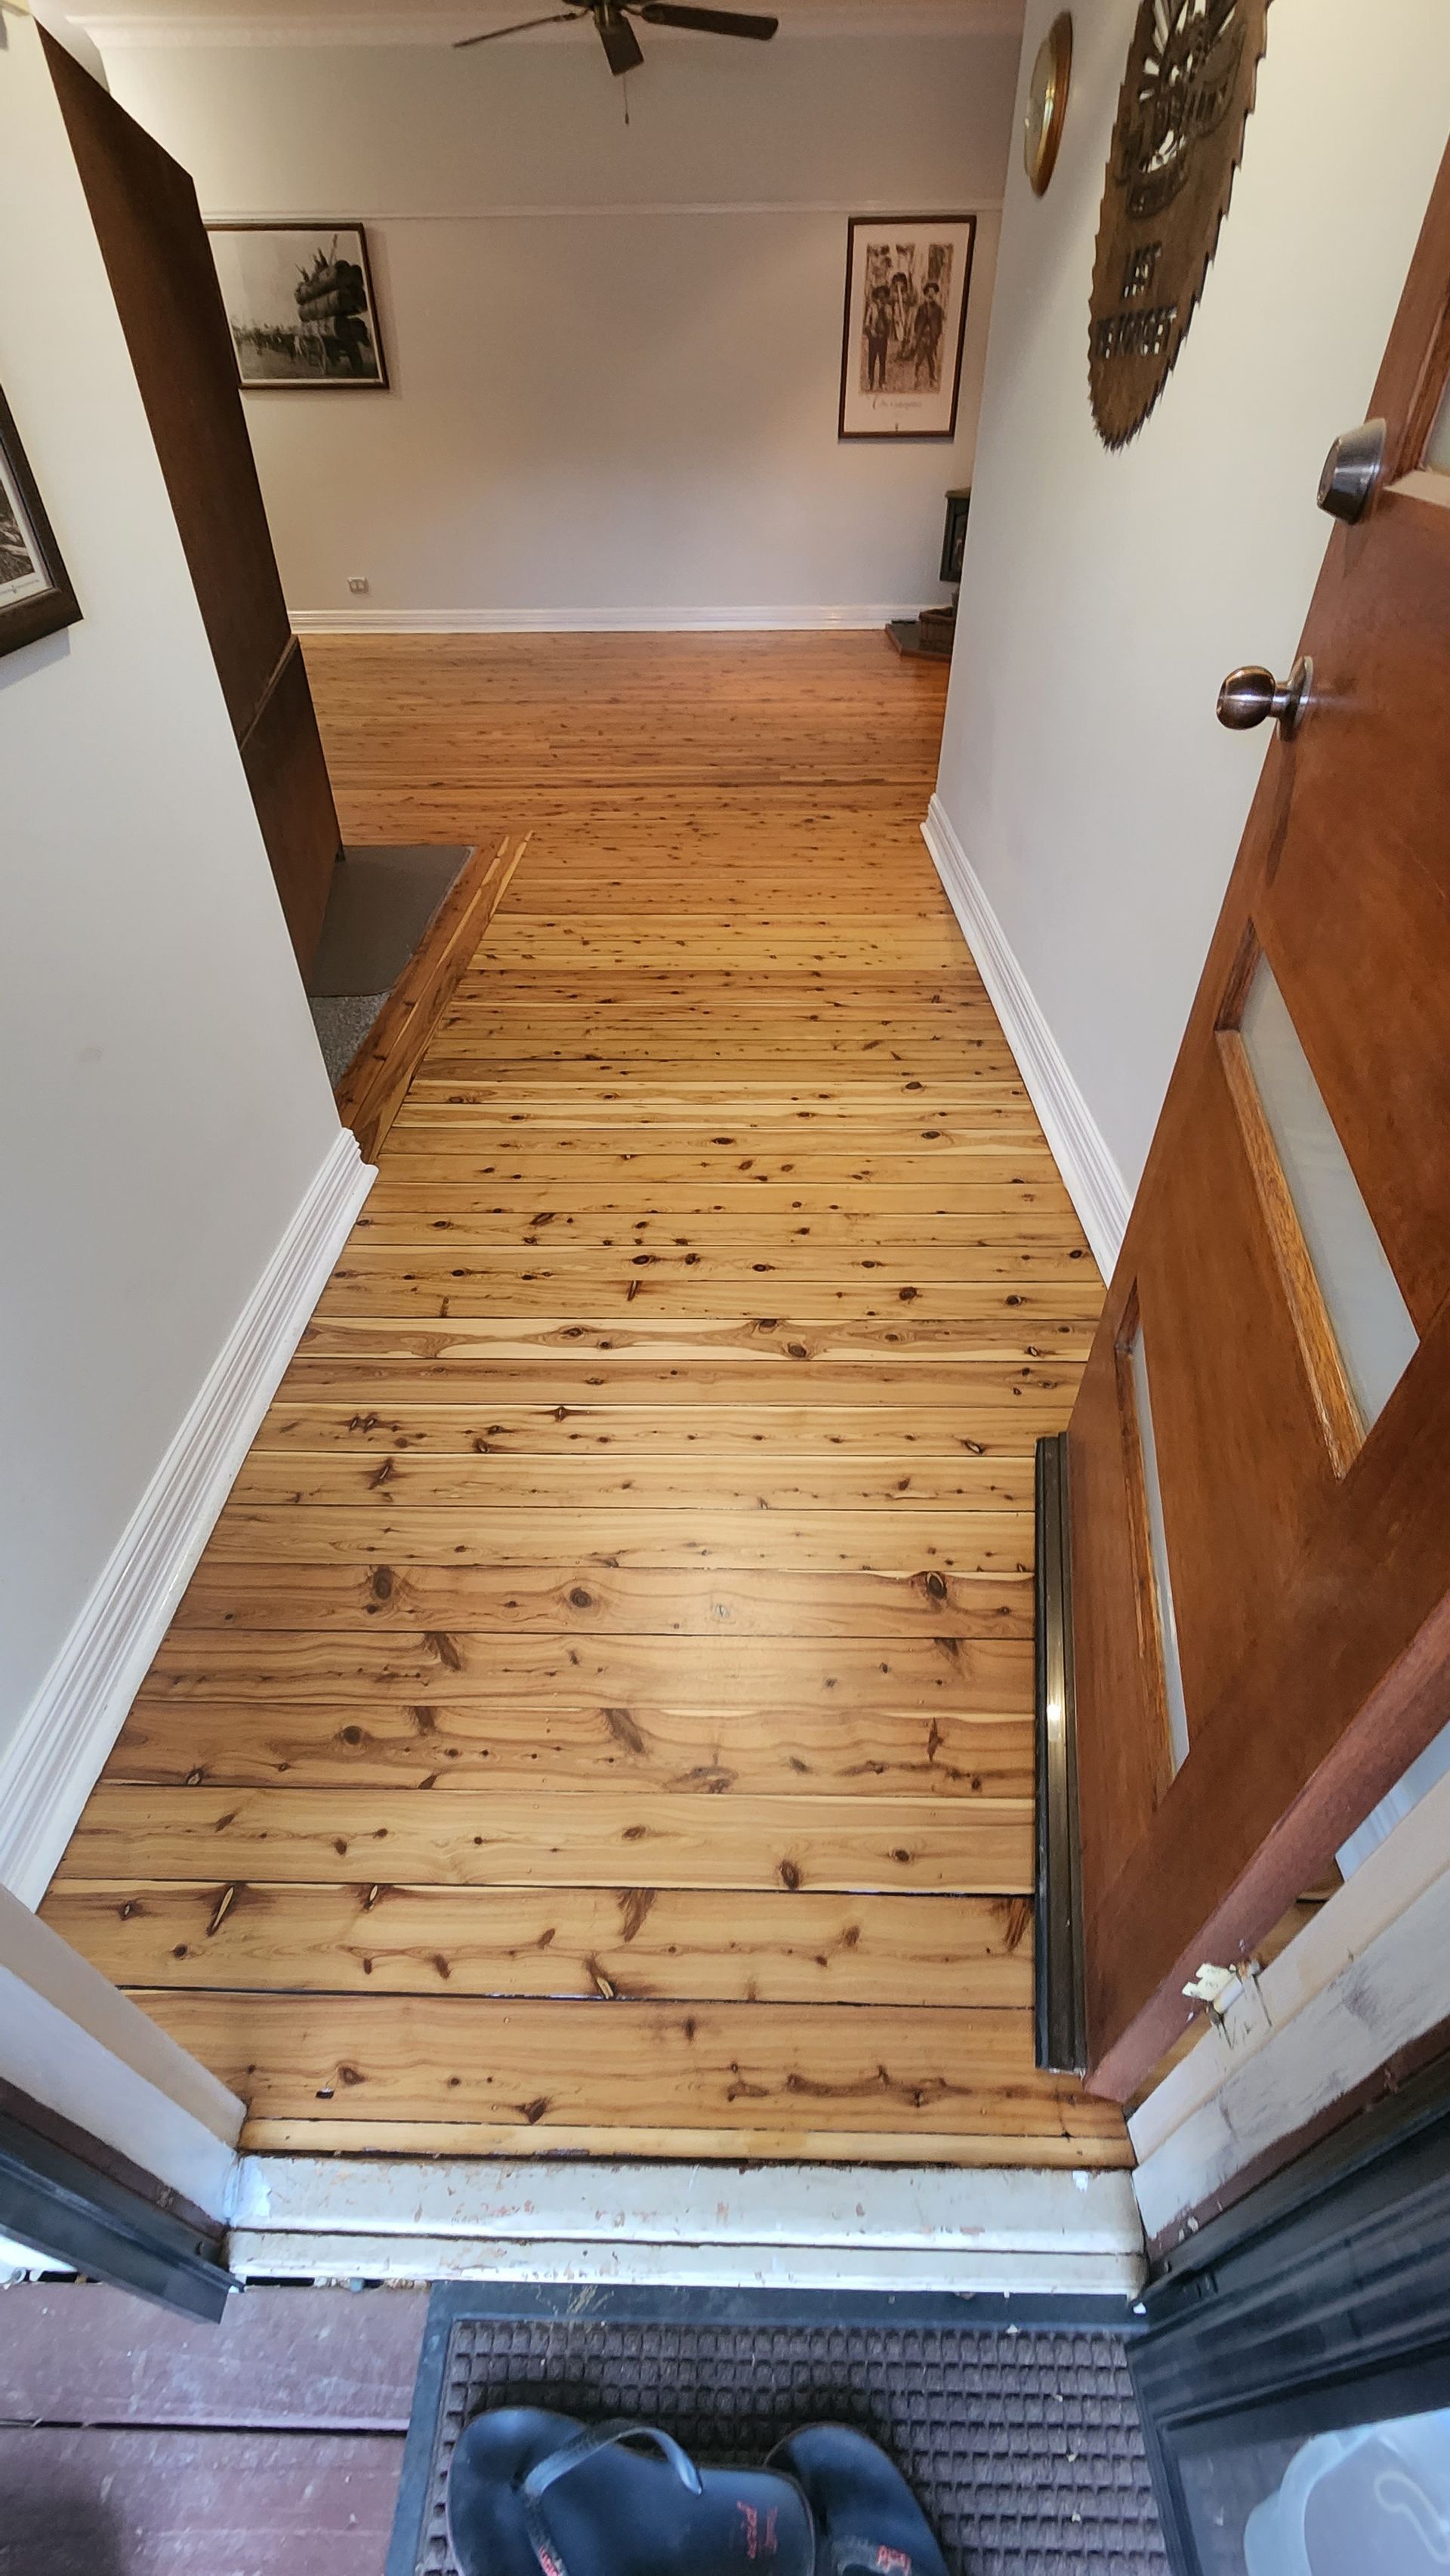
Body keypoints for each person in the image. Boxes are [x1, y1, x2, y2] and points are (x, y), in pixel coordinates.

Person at [912, 279, 945, 389]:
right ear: (926, 293)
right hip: (922, 337)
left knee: (932, 360)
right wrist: (917, 334)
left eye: (933, 291)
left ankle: (932, 380)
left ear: (935, 293)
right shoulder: (921, 308)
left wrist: (936, 335)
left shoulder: (938, 309)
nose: (931, 293)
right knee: (919, 358)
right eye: (929, 291)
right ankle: (916, 378)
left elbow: (939, 324)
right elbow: (917, 322)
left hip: (932, 337)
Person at [864, 283, 892, 391]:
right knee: (871, 360)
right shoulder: (872, 306)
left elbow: (890, 322)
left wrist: (885, 310)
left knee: (882, 360)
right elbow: (867, 322)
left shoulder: (888, 307)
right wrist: (871, 333)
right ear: (877, 294)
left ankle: (882, 382)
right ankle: (870, 382)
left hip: (883, 337)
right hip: (874, 337)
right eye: (880, 293)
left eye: (883, 293)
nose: (881, 296)